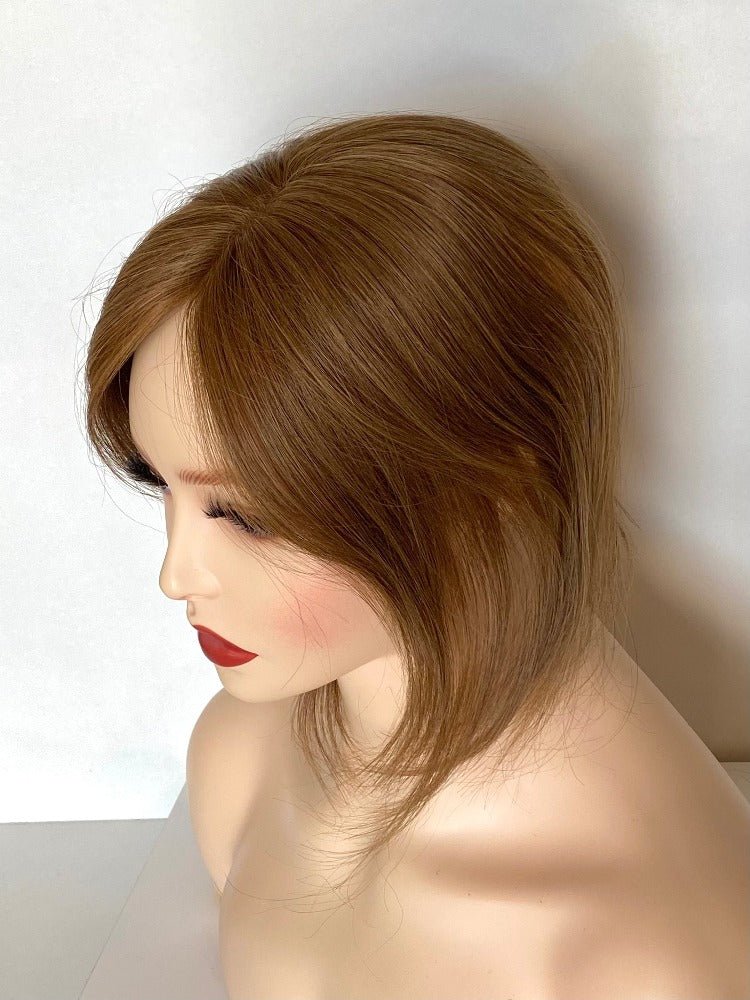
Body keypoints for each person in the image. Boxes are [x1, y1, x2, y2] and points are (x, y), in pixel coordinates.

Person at [83, 112, 750, 999]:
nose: (177, 576)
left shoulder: (631, 960)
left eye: (245, 515)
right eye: (158, 482)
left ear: (491, 483)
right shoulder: (238, 761)